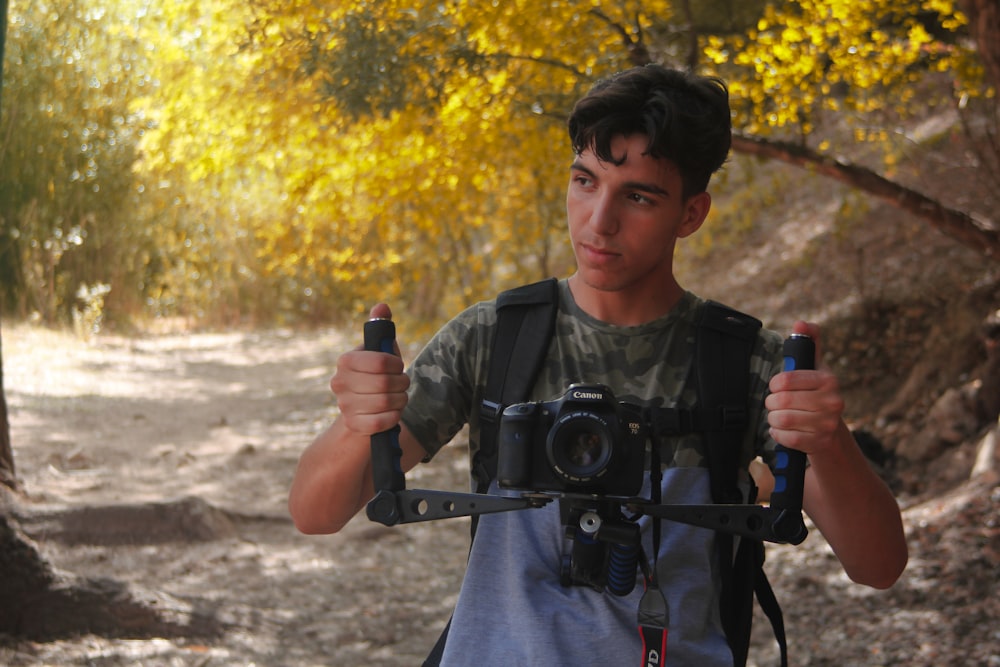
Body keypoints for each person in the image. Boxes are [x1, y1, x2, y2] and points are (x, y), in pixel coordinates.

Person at [288, 64, 908, 666]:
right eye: (585, 181)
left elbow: (877, 565)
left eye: (638, 196)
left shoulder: (745, 362)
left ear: (691, 213)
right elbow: (315, 513)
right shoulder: (495, 337)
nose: (599, 221)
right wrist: (358, 420)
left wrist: (826, 444)